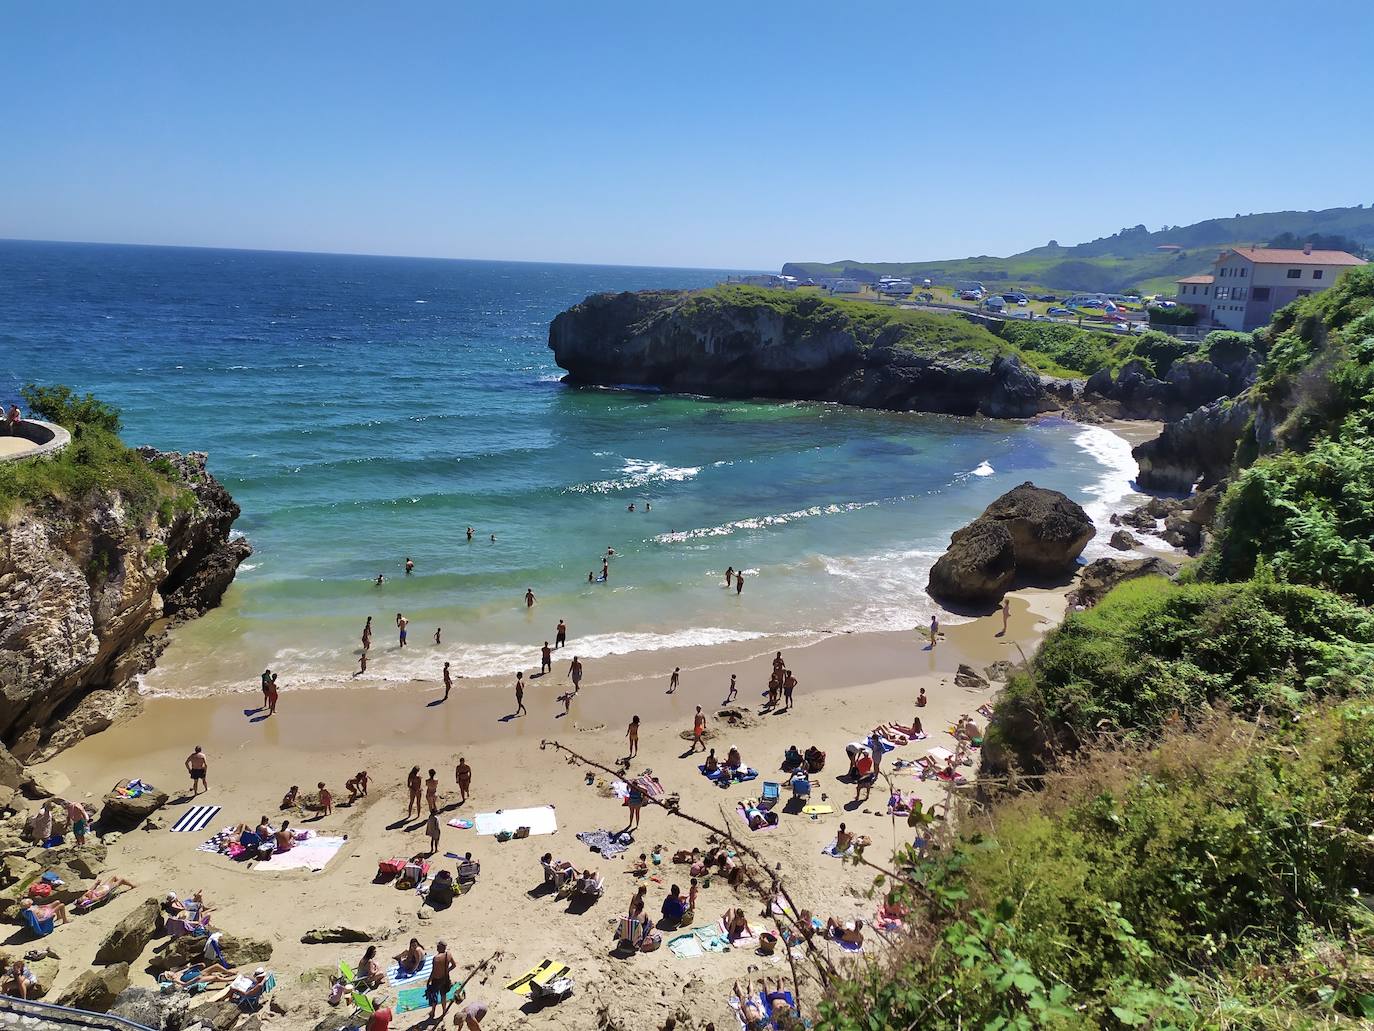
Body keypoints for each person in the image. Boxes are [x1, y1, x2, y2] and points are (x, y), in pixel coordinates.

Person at [426, 940, 457, 1020]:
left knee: (434, 996)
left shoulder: (436, 958)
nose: (436, 947)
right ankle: (444, 1011)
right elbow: (454, 965)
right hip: (445, 978)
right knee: (443, 995)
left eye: (438, 946)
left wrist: (429, 980)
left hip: (436, 979)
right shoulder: (448, 954)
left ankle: (433, 1012)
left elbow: (433, 971)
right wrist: (447, 971)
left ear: (440, 947)